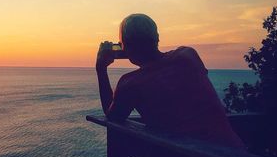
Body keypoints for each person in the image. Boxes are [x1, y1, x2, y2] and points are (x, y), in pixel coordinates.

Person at [96, 13, 245, 149]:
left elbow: (113, 116)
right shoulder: (188, 56)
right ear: (157, 37)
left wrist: (101, 68)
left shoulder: (130, 84)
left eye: (122, 44)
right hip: (235, 154)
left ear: (127, 46)